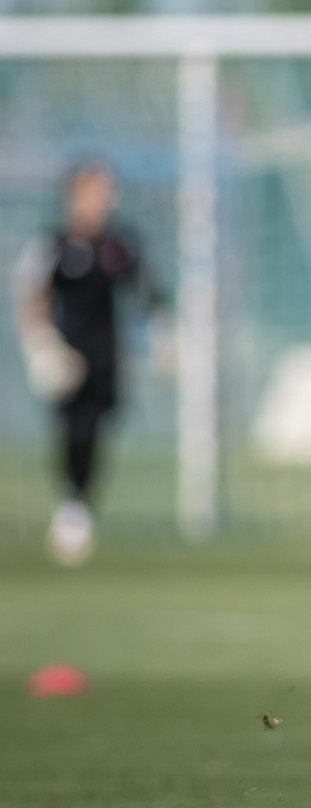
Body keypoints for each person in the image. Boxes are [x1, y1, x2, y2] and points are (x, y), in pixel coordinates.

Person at [12, 162, 165, 564]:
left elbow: (146, 289)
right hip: (68, 356)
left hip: (106, 358)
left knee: (97, 429)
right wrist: (43, 344)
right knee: (72, 430)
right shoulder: (55, 245)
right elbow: (34, 295)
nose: (104, 201)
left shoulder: (119, 244)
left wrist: (163, 332)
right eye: (96, 192)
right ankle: (73, 506)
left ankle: (79, 504)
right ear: (75, 196)